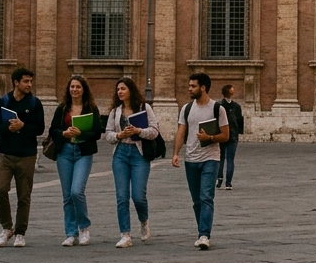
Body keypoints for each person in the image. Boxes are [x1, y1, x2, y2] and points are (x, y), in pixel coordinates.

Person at [172, 73, 230, 250]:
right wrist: (176, 153)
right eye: (190, 86)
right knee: (197, 200)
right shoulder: (187, 109)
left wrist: (209, 137)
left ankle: (204, 234)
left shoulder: (217, 109)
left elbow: (226, 135)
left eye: (193, 86)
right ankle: (201, 231)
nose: (190, 89)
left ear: (203, 87)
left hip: (210, 159)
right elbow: (181, 132)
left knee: (206, 197)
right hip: (191, 159)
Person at [0, 67, 45, 248]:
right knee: (0, 189)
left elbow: (40, 128)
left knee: (24, 196)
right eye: (26, 81)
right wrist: (8, 127)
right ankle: (7, 227)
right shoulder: (3, 101)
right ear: (16, 82)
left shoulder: (35, 103)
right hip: (5, 153)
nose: (29, 85)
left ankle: (20, 232)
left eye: (31, 81)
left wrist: (22, 126)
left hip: (27, 155)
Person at [104, 76, 159, 248]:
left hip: (139, 154)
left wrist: (138, 131)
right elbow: (108, 133)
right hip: (120, 153)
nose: (120, 92)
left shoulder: (145, 108)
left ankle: (144, 221)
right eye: (118, 89)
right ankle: (125, 234)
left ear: (131, 90)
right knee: (121, 196)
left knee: (138, 196)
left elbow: (154, 131)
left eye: (123, 89)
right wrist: (119, 135)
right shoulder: (115, 111)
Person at [48, 74, 99, 247]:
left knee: (77, 191)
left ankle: (84, 227)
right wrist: (63, 133)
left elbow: (97, 132)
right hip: (65, 153)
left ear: (84, 89)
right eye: (72, 87)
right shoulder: (62, 108)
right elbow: (52, 130)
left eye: (78, 87)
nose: (74, 90)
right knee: (67, 195)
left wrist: (81, 134)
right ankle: (71, 233)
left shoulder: (91, 108)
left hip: (83, 153)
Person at [216, 85, 244, 190]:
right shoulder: (236, 106)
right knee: (230, 159)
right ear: (229, 92)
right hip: (232, 135)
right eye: (232, 89)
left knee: (221, 158)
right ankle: (228, 183)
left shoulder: (218, 105)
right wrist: (238, 132)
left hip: (221, 135)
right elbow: (240, 121)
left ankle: (219, 180)